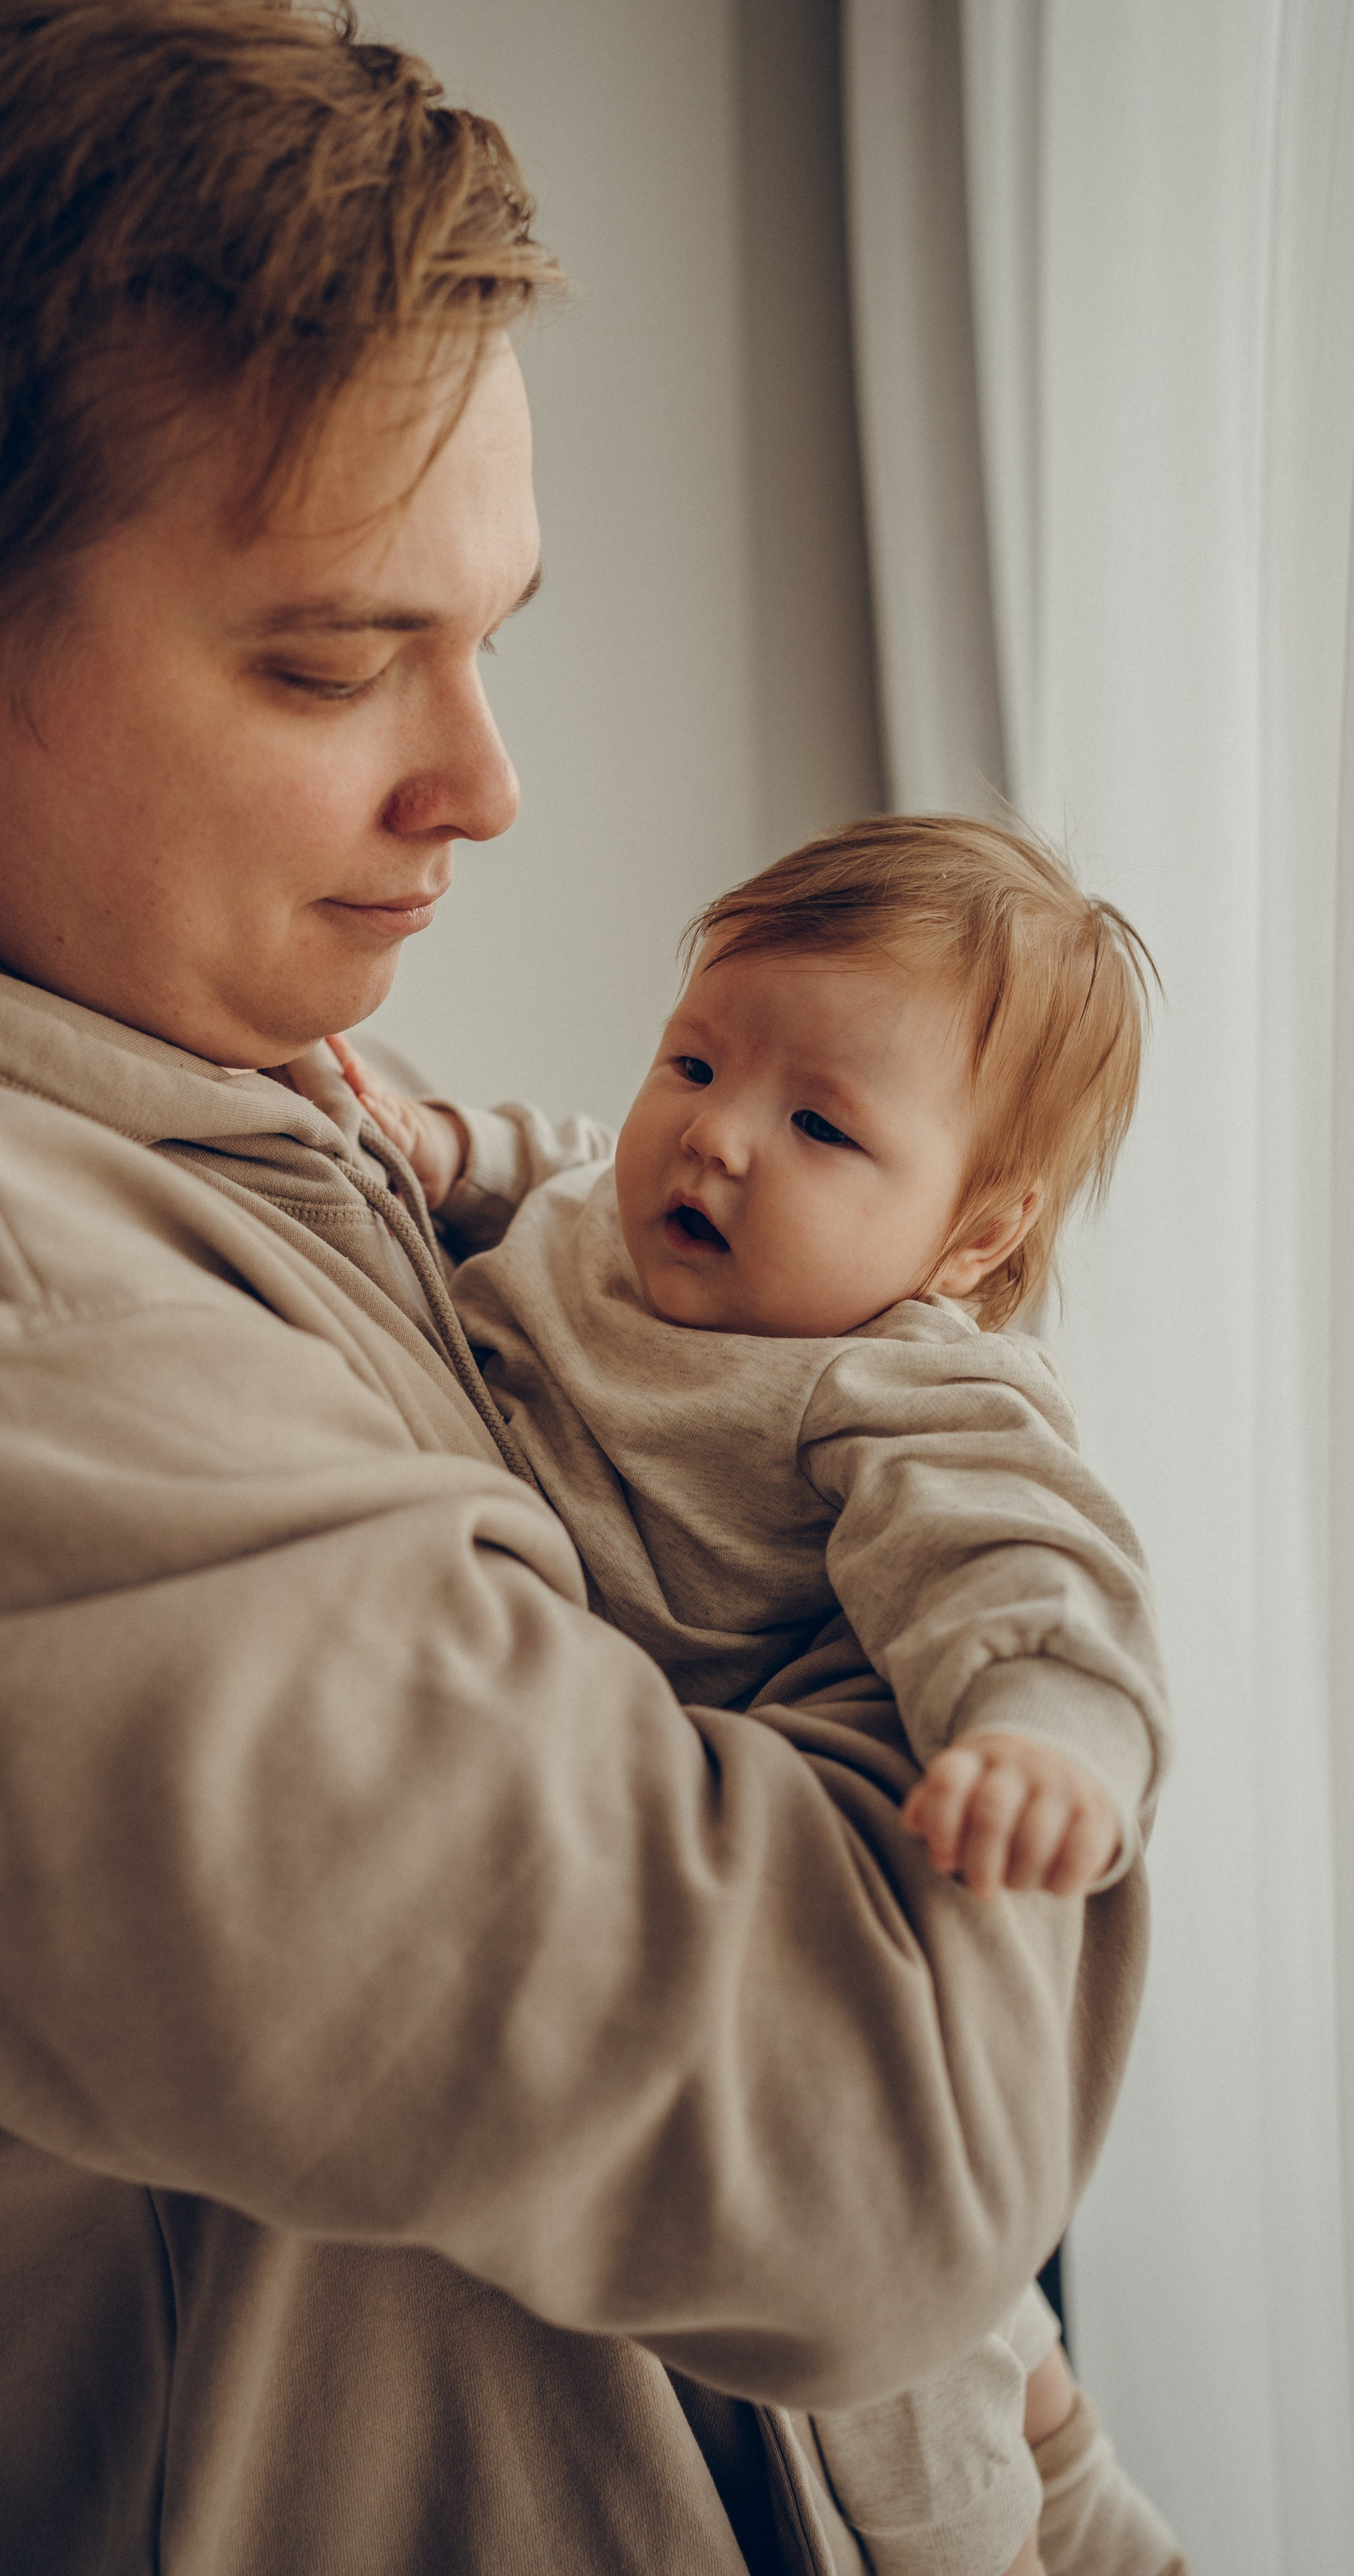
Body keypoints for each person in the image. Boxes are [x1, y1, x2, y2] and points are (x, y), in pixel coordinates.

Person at [0, 5, 1148, 2570]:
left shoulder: (201, 1101)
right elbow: (883, 2139)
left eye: (491, 634)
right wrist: (977, 1599)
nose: (485, 783)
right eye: (333, 662)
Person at [338, 814, 1190, 2576]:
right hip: (601, 1798)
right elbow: (564, 1166)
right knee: (998, 2340)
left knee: (897, 2337)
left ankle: (1012, 2536)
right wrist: (443, 1146)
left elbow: (1033, 1559)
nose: (717, 1134)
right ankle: (1086, 2487)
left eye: (821, 1126)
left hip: (800, 1912)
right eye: (697, 1060)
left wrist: (1045, 1733)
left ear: (974, 1234)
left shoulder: (894, 1381)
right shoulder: (621, 1222)